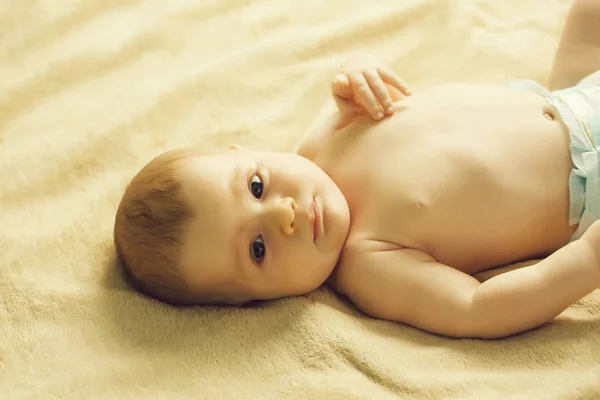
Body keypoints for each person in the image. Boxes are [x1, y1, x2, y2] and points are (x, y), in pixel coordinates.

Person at [114, 0, 600, 339]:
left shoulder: (325, 133)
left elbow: (382, 94)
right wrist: (586, 262)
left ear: (244, 149)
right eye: (258, 249)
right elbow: (477, 308)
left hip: (562, 98)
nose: (285, 215)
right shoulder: (369, 265)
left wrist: (361, 69)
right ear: (251, 303)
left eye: (256, 186)